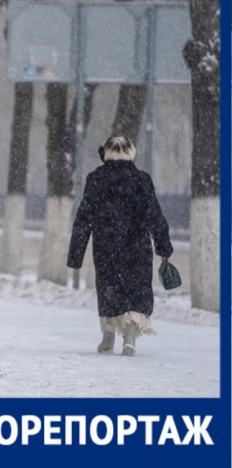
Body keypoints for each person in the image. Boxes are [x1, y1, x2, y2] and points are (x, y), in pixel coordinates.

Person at [67, 136, 174, 357]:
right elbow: (155, 215)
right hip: (136, 246)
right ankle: (130, 338)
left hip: (106, 246)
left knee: (109, 290)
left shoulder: (96, 178)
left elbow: (84, 217)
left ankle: (107, 338)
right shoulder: (142, 180)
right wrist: (163, 247)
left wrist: (76, 253)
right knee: (136, 292)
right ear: (131, 153)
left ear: (106, 152)